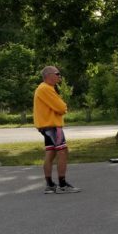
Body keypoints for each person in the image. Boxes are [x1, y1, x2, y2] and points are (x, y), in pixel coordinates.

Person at [34, 66, 78, 194]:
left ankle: (50, 185)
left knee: (51, 153)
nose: (60, 76)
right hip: (52, 125)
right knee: (63, 151)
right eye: (57, 73)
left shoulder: (44, 88)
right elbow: (61, 107)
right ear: (48, 75)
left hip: (46, 126)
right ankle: (62, 185)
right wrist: (64, 106)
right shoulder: (46, 88)